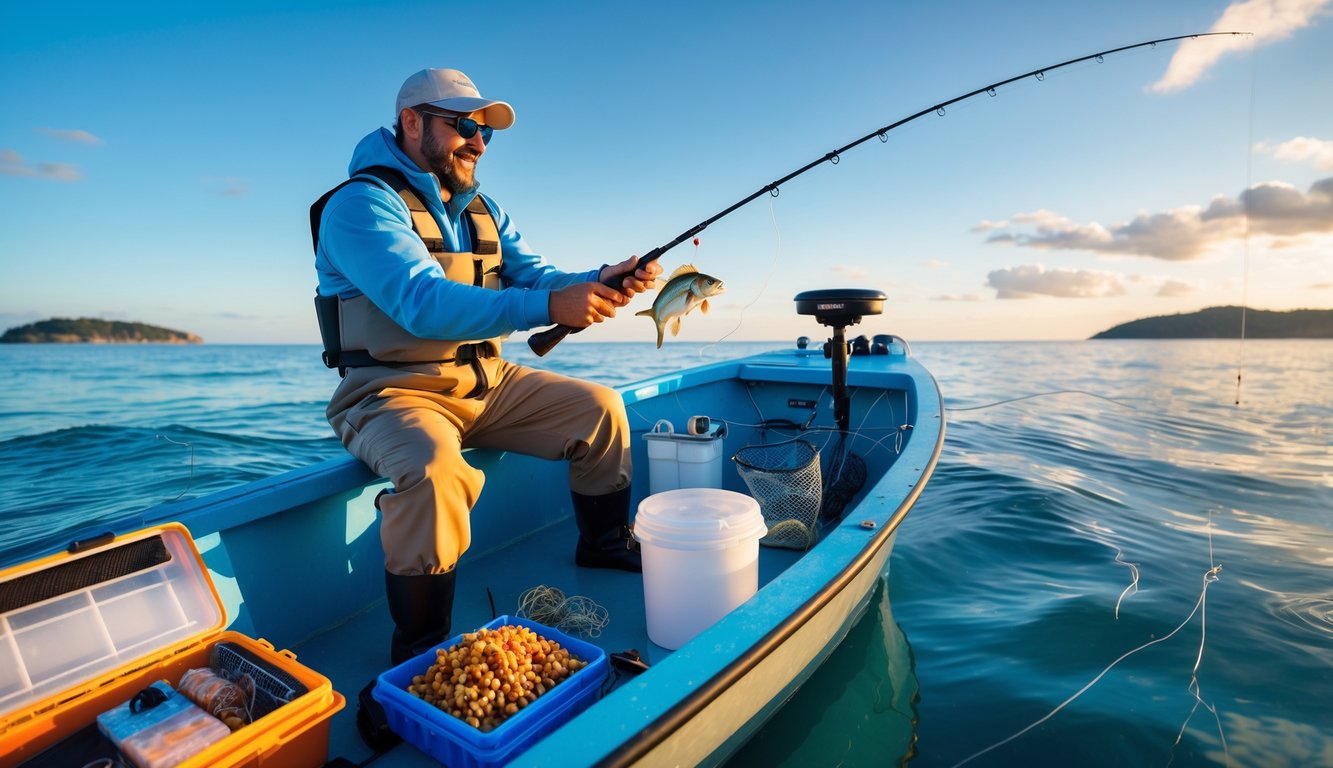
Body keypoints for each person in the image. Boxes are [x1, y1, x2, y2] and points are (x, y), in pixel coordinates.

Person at [312, 68, 660, 666]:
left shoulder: (484, 208)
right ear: (413, 122)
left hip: (487, 384)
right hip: (393, 394)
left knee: (601, 410)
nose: (477, 142)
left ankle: (603, 544)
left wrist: (600, 280)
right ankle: (420, 652)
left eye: (486, 133)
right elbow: (422, 303)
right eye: (465, 126)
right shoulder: (360, 206)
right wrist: (550, 307)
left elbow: (539, 277)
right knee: (436, 474)